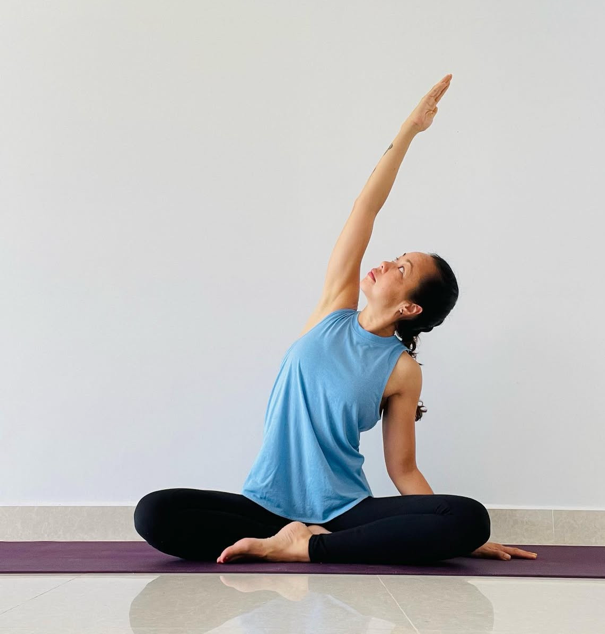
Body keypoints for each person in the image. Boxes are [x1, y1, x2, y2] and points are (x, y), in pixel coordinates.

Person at [134, 74, 537, 565]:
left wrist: (461, 535)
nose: (386, 263)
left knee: (468, 517)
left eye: (401, 268)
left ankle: (308, 548)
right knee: (154, 513)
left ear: (411, 307)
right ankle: (288, 540)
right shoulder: (334, 308)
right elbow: (365, 208)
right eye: (394, 256)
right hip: (263, 505)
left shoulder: (402, 370)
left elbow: (404, 470)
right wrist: (410, 129)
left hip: (344, 510)